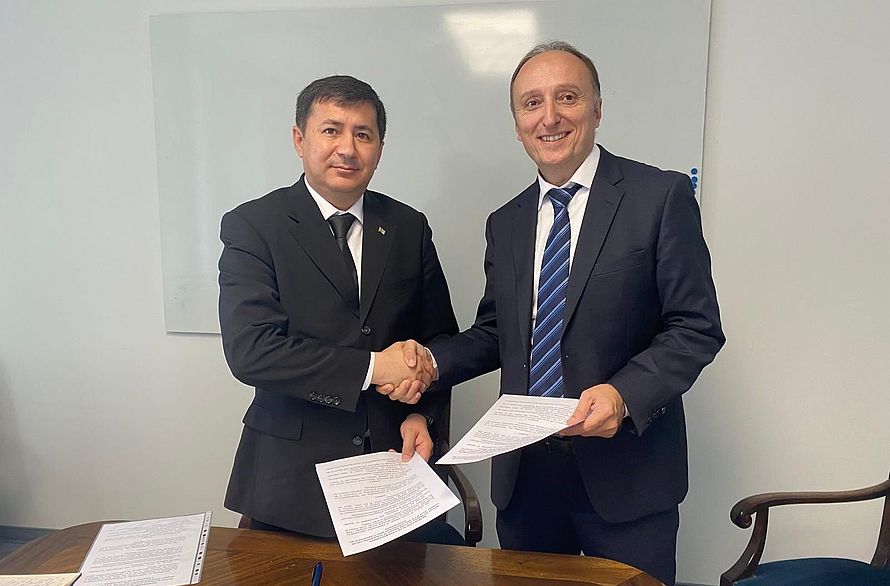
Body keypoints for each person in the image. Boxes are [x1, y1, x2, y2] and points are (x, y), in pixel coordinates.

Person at [384, 41, 724, 584]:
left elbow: (695, 328)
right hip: (526, 478)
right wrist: (429, 361)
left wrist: (624, 394)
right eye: (532, 103)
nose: (550, 117)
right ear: (518, 124)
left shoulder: (660, 196)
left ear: (597, 109)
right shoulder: (506, 222)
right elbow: (498, 333)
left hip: (627, 474)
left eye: (567, 97)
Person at [218, 75, 454, 541]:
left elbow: (439, 340)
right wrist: (375, 367)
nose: (347, 148)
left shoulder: (408, 227)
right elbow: (252, 352)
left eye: (363, 134)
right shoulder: (254, 225)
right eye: (331, 130)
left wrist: (421, 414)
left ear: (379, 149)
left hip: (395, 468)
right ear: (299, 139)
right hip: (289, 483)